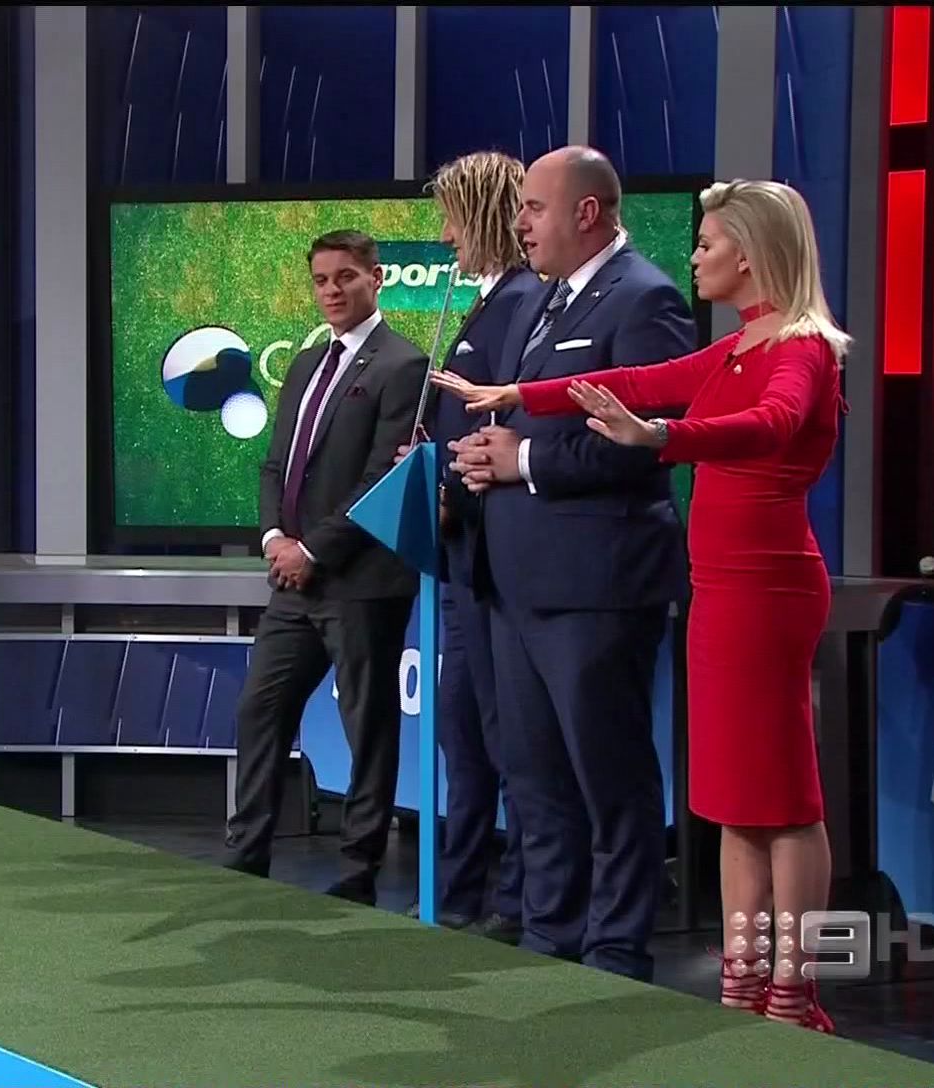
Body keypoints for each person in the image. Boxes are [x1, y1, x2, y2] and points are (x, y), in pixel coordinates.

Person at [433, 179, 848, 1031]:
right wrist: (520, 396)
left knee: (783, 797)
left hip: (769, 590)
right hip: (719, 588)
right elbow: (636, 378)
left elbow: (771, 426)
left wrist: (663, 437)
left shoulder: (802, 347)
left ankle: (794, 990)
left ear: (751, 254)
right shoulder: (734, 346)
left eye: (709, 243)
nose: (694, 257)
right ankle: (742, 983)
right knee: (734, 800)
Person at [446, 146, 695, 981]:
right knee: (535, 776)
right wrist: (487, 455)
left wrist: (522, 462)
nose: (519, 223)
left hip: (596, 585)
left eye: (533, 207)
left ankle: (616, 949)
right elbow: (530, 421)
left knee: (608, 776)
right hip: (516, 583)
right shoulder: (544, 300)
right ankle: (550, 938)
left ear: (587, 213)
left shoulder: (647, 299)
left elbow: (645, 442)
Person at [226, 230, 428, 905]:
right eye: (321, 280)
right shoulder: (307, 364)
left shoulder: (404, 364)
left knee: (367, 726)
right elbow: (275, 465)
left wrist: (313, 550)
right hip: (291, 582)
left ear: (376, 278)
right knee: (260, 709)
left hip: (360, 582)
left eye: (346, 276)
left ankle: (358, 867)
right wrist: (274, 539)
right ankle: (245, 851)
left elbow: (379, 480)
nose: (333, 291)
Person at [398, 151, 547, 938]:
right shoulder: (486, 302)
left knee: (505, 738)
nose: (447, 236)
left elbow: (511, 428)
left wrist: (453, 488)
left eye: (454, 218)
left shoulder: (520, 303)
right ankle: (459, 895)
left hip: (494, 561)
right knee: (464, 734)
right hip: (461, 562)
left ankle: (517, 903)